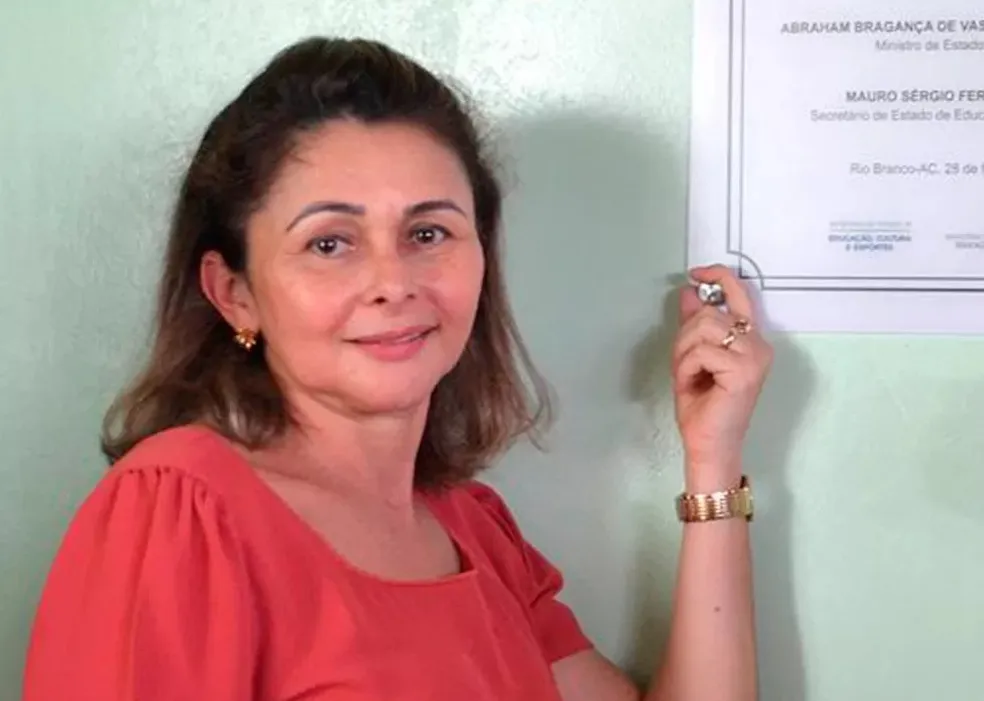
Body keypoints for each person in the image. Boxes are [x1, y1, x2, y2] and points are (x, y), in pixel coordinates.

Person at [22, 37, 772, 701]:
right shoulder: (180, 514)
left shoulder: (476, 530)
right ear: (235, 292)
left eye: (428, 232)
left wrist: (713, 457)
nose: (394, 282)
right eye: (329, 243)